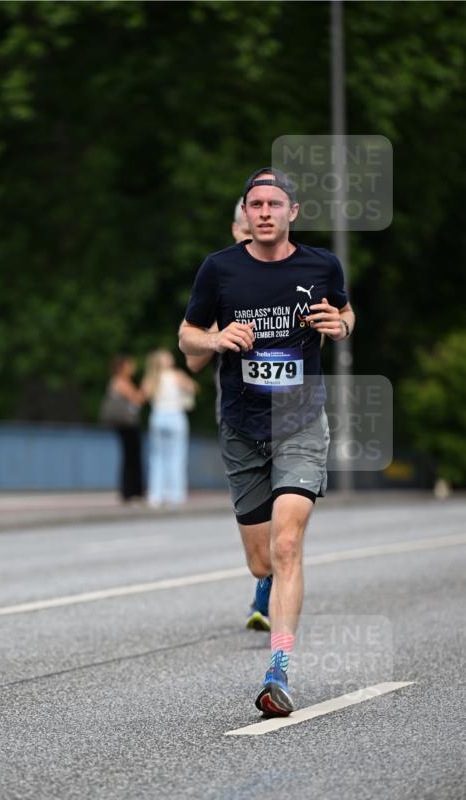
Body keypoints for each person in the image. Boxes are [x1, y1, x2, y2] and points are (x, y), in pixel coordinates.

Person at [179, 167, 355, 716]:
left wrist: (341, 324)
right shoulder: (219, 269)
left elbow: (346, 312)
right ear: (245, 215)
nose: (263, 212)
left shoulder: (321, 265)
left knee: (287, 545)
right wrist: (216, 337)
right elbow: (187, 343)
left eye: (273, 204)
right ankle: (268, 591)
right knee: (262, 562)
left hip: (301, 423)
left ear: (291, 212)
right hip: (242, 426)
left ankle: (277, 671)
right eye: (255, 204)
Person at [185, 200, 273, 632]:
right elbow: (192, 360)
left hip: (288, 411)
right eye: (243, 235)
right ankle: (267, 576)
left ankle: (271, 592)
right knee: (259, 520)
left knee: (288, 512)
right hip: (236, 411)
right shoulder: (220, 276)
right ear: (237, 229)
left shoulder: (289, 274)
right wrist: (217, 337)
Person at [142, 350, 197, 508]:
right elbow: (193, 388)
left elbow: (143, 395)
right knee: (176, 456)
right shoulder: (176, 375)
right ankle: (176, 494)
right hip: (175, 417)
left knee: (157, 457)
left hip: (158, 417)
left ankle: (156, 495)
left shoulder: (152, 377)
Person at [102, 354, 145, 503]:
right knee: (132, 458)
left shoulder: (116, 382)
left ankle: (129, 491)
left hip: (123, 425)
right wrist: (147, 386)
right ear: (122, 367)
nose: (132, 368)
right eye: (129, 365)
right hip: (128, 425)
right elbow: (138, 398)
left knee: (129, 457)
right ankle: (132, 491)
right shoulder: (121, 383)